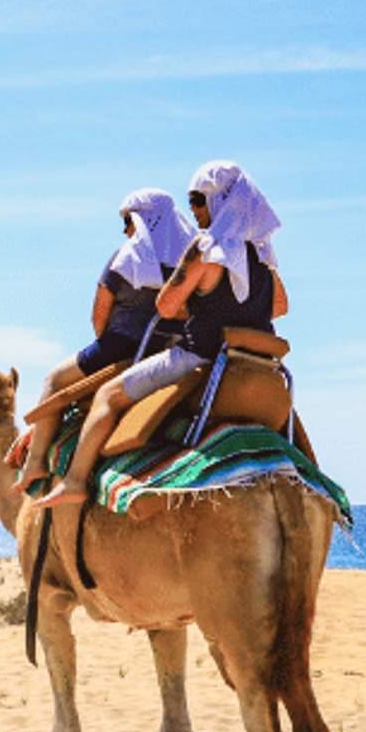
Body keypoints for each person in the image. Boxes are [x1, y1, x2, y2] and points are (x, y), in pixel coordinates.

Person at [35, 161, 289, 509]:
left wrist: (199, 299)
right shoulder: (262, 255)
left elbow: (167, 306)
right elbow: (280, 307)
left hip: (201, 356)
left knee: (107, 395)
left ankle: (75, 482)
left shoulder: (204, 248)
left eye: (198, 200)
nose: (194, 211)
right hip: (262, 365)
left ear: (220, 199)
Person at [16, 188, 196, 491]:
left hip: (119, 346)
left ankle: (34, 464)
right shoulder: (188, 265)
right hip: (167, 353)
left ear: (141, 220)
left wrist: (104, 348)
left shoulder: (126, 258)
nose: (126, 229)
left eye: (128, 220)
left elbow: (98, 315)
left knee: (54, 380)